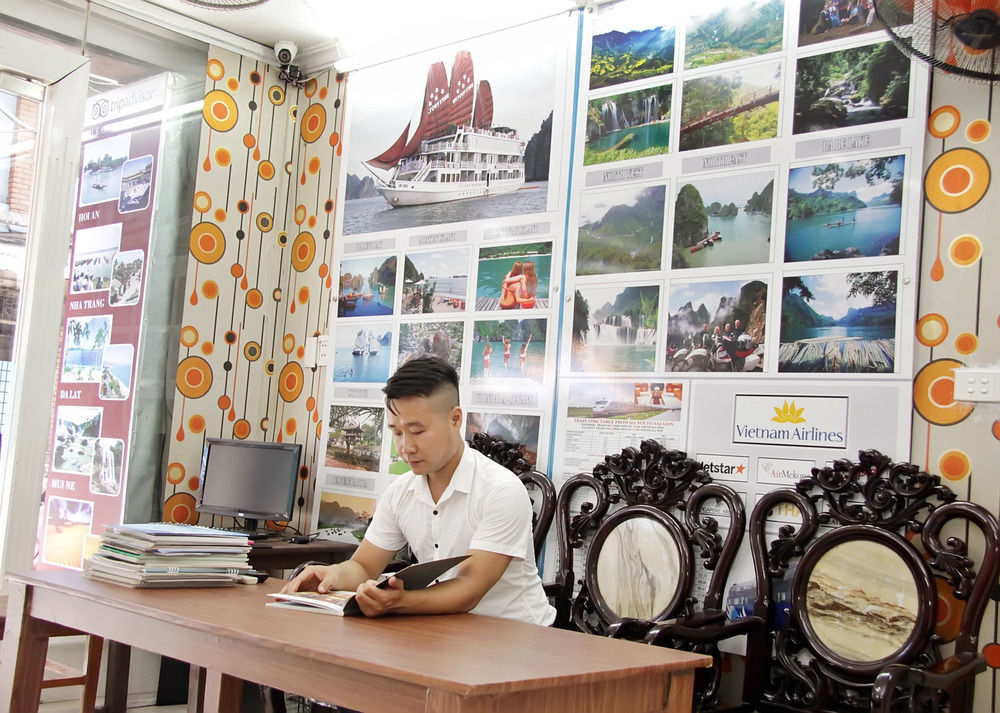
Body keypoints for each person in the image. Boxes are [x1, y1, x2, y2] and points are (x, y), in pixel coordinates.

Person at [283, 356, 555, 626]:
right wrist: (331, 575)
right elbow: (364, 567)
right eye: (397, 433)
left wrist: (399, 602)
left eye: (417, 431)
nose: (405, 447)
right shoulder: (400, 492)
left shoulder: (501, 490)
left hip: (517, 638)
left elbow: (469, 587)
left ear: (455, 419)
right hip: (443, 633)